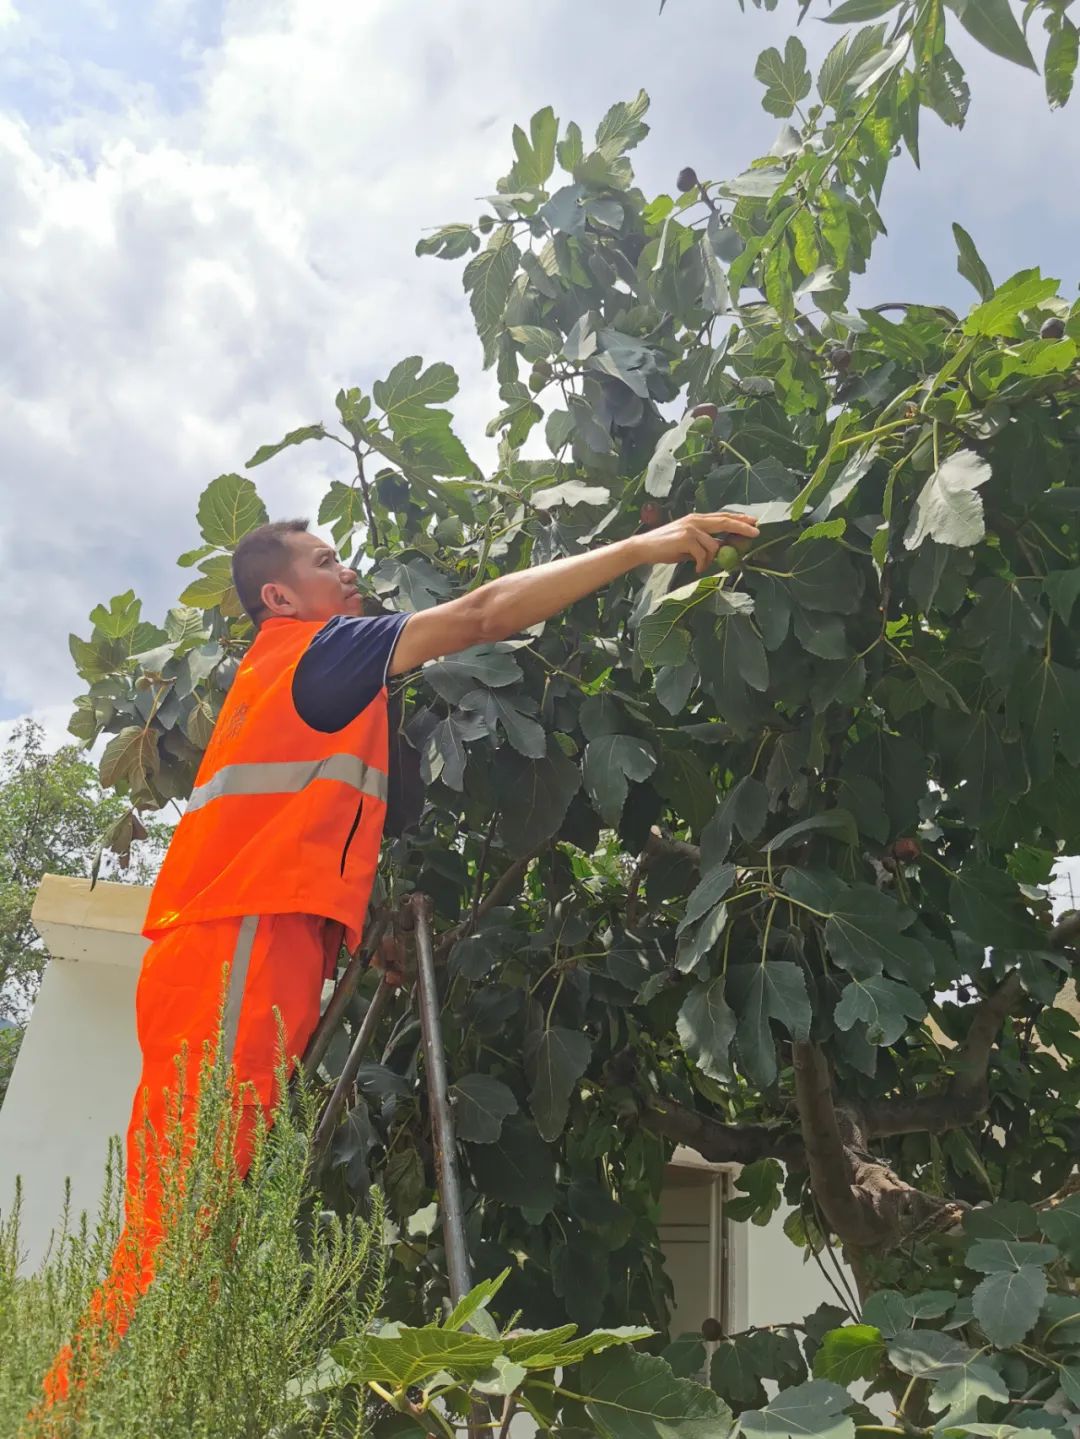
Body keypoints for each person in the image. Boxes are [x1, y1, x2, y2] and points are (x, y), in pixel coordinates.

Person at [41, 505, 757, 1404]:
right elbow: (486, 614)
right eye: (326, 559)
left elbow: (306, 821)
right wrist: (640, 546)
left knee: (203, 1217)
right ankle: (75, 1417)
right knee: (179, 1223)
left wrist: (358, 927)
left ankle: (147, 1404)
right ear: (278, 593)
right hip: (238, 943)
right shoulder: (317, 650)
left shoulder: (295, 678)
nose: (346, 571)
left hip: (254, 940)